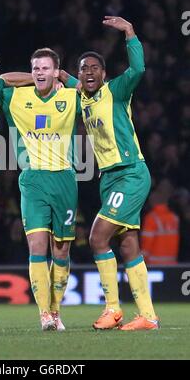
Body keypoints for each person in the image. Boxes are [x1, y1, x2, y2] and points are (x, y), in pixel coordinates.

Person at [0, 48, 81, 331]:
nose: (39, 72)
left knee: (61, 250)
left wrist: (65, 78)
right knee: (37, 247)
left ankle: (56, 310)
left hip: (64, 180)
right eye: (35, 68)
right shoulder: (16, 96)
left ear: (56, 70)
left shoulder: (68, 95)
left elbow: (96, 89)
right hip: (32, 181)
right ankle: (44, 315)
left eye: (45, 68)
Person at [61, 16, 159, 330]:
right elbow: (58, 77)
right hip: (109, 178)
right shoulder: (79, 96)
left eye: (94, 68)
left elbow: (139, 70)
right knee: (129, 244)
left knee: (97, 237)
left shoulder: (115, 91)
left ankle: (113, 309)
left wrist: (130, 32)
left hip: (130, 173)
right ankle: (147, 316)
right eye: (83, 68)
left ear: (104, 74)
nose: (88, 72)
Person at [141, 190, 180, 265]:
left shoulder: (151, 218)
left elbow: (146, 244)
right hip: (171, 263)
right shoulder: (174, 218)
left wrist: (141, 263)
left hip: (153, 264)